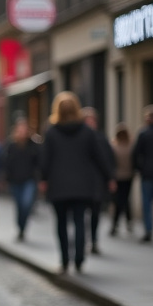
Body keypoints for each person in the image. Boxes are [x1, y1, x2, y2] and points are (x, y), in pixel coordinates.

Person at [40, 92, 114, 274]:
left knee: (61, 223)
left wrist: (43, 179)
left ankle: (65, 260)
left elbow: (45, 160)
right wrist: (109, 177)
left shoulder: (51, 132)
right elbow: (100, 157)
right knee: (80, 221)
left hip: (58, 186)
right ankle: (79, 259)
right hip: (82, 186)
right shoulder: (87, 131)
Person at [81, 107, 114, 254]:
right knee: (80, 214)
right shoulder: (78, 139)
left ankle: (93, 240)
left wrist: (110, 178)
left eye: (92, 121)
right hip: (81, 183)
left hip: (97, 183)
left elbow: (107, 160)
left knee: (95, 214)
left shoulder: (101, 139)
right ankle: (81, 240)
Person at [2, 118, 41, 242]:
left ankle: (23, 227)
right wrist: (6, 178)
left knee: (26, 204)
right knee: (19, 205)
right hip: (15, 180)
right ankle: (21, 228)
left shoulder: (33, 145)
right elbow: (6, 163)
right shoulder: (11, 145)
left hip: (29, 180)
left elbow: (39, 162)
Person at [132, 104, 153, 243]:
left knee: (147, 204)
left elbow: (136, 154)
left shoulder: (144, 133)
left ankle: (149, 231)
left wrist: (139, 168)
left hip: (148, 174)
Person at [110, 124, 135, 236]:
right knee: (125, 199)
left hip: (118, 176)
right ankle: (128, 221)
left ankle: (115, 224)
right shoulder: (131, 146)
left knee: (118, 200)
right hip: (128, 176)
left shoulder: (114, 147)